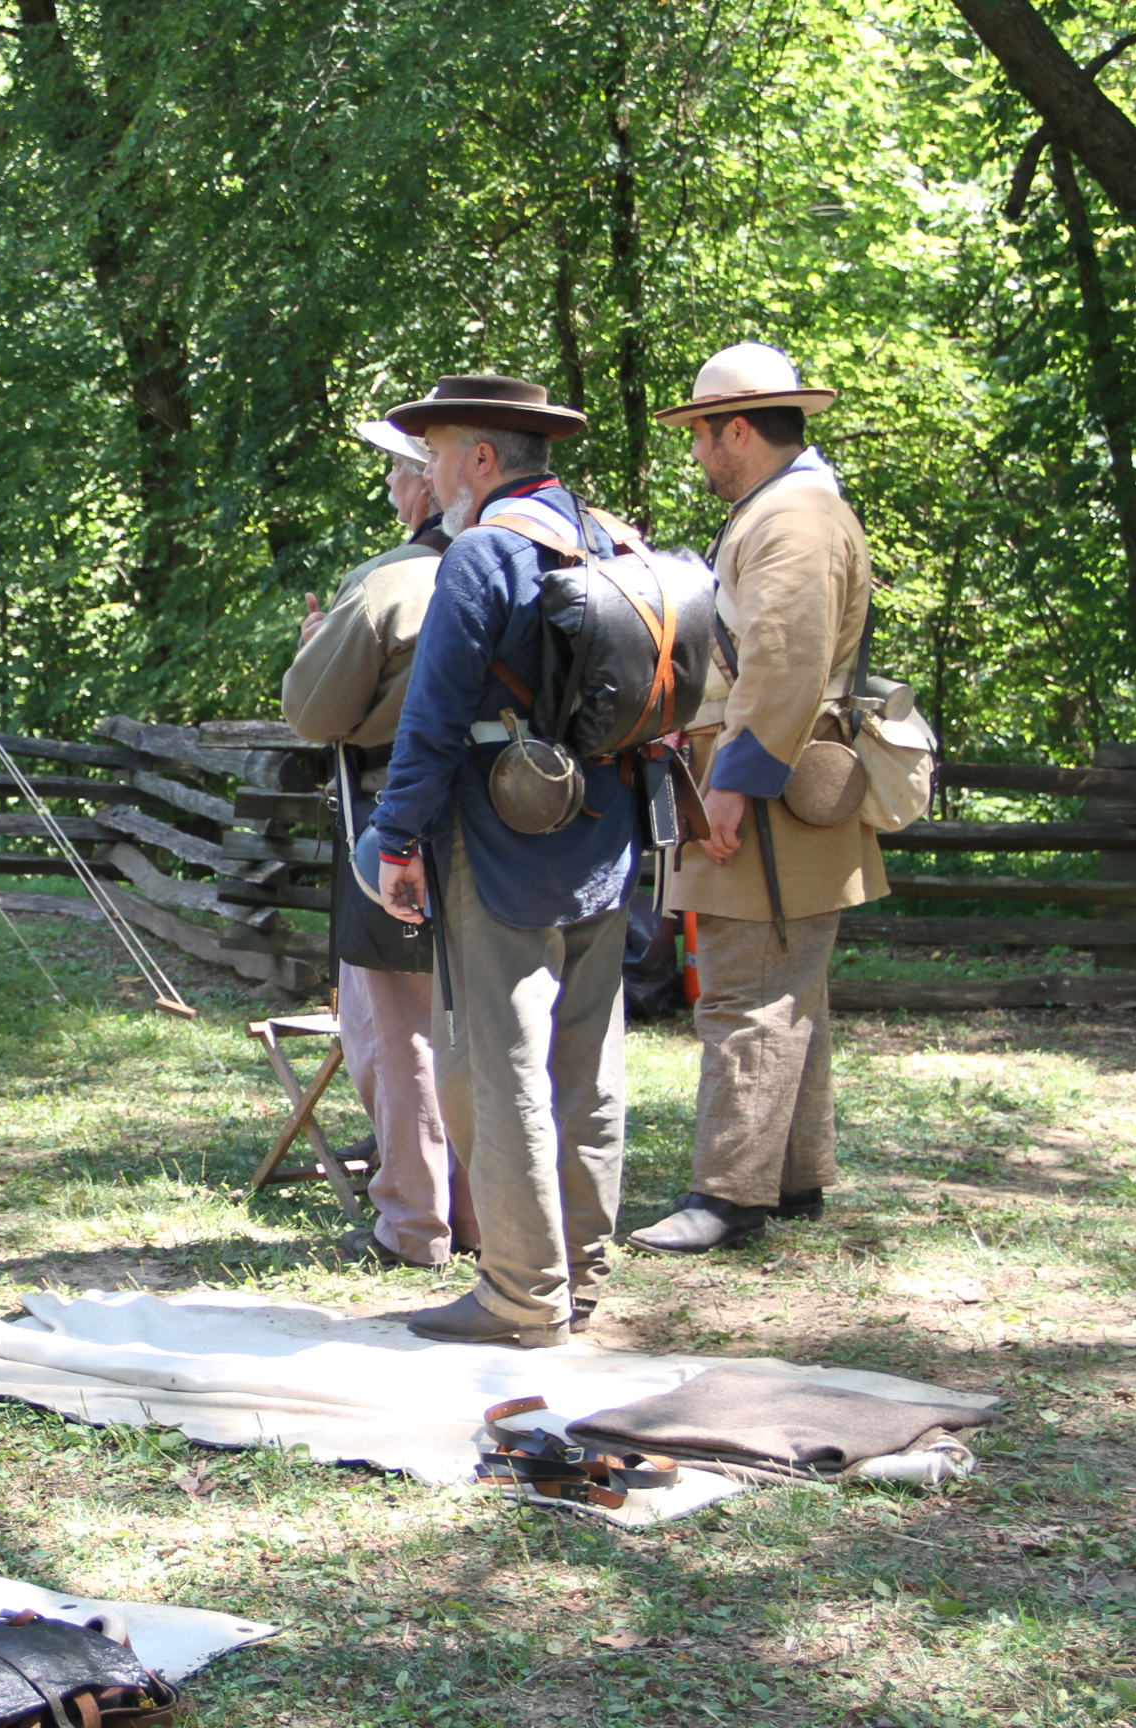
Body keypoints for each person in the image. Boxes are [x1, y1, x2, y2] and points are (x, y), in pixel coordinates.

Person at [368, 375, 634, 1349]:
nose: (428, 475)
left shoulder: (482, 552)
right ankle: (583, 1280)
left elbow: (433, 718)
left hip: (499, 840)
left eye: (436, 454)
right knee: (588, 1068)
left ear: (481, 459)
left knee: (497, 1070)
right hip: (606, 834)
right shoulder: (608, 538)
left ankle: (524, 1295)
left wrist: (397, 840)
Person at [629, 344, 882, 1255]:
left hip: (762, 792)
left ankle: (729, 1196)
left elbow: (782, 661)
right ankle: (791, 1178)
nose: (697, 453)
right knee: (790, 988)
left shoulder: (792, 519)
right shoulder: (786, 511)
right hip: (770, 781)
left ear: (738, 429)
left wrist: (729, 790)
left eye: (702, 434)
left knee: (745, 991)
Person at [280, 423, 475, 1270]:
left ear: (427, 483)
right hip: (522, 826)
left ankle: (415, 1223)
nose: (395, 491)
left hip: (402, 820)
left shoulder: (393, 581)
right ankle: (489, 1219)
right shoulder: (551, 560)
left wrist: (314, 654)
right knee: (494, 1026)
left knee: (395, 1026)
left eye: (401, 475)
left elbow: (312, 712)